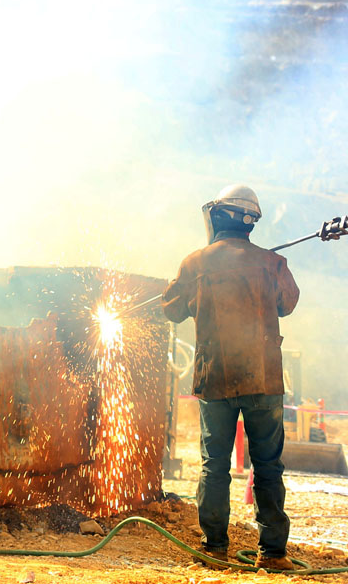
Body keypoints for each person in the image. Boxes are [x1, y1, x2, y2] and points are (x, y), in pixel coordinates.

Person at [162, 184, 300, 571]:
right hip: (263, 380)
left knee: (215, 466)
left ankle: (214, 548)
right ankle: (273, 554)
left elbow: (171, 310)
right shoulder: (272, 262)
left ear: (219, 216)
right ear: (250, 222)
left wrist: (182, 284)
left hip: (216, 379)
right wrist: (265, 271)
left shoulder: (195, 264)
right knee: (268, 466)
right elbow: (287, 303)